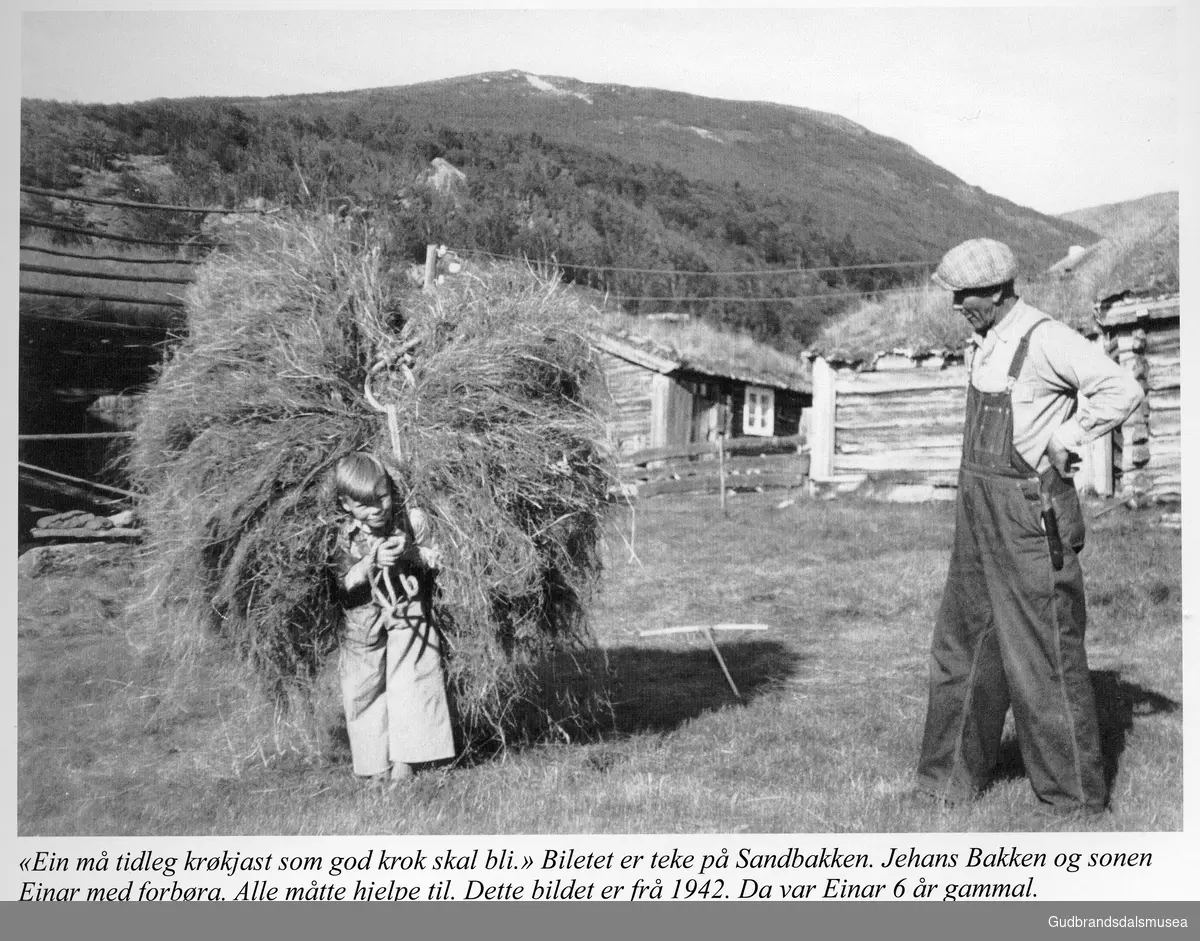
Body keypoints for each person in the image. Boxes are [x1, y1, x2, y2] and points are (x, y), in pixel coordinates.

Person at [914, 238, 1144, 815]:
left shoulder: (1046, 339)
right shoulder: (985, 341)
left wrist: (1070, 436)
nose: (955, 305)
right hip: (978, 514)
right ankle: (945, 784)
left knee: (1043, 656)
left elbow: (1123, 389)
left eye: (962, 295)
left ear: (993, 292)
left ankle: (1072, 802)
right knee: (962, 646)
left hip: (1027, 514)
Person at [331, 451, 455, 787]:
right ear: (346, 504)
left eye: (383, 497)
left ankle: (406, 759)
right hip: (362, 618)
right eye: (366, 504)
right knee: (364, 685)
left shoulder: (409, 518)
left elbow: (436, 555)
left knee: (411, 675)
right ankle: (374, 764)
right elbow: (342, 582)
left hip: (405, 607)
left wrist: (411, 552)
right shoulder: (343, 535)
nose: (378, 509)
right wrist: (371, 561)